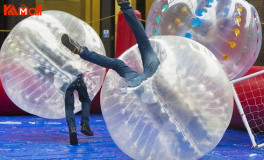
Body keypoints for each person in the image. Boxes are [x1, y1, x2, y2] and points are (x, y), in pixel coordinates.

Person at [61, 0, 160, 145]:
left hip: (150, 78)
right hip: (142, 87)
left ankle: (82, 51)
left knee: (140, 44)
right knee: (122, 62)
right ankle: (83, 51)